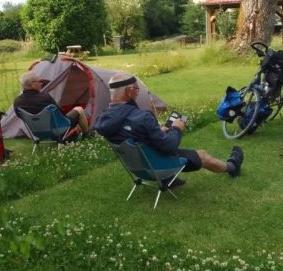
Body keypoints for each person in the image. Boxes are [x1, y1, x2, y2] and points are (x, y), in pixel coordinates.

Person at [94, 72, 243, 187]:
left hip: (137, 167)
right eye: (137, 89)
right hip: (157, 166)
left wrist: (158, 131)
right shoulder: (142, 117)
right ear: (129, 91)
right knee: (202, 155)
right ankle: (232, 167)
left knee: (164, 134)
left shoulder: (104, 119)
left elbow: (134, 135)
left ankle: (169, 180)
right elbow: (169, 147)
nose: (138, 92)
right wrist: (177, 128)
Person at [13, 70, 90, 135]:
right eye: (39, 81)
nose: (41, 83)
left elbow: (21, 116)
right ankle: (87, 134)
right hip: (57, 129)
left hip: (37, 132)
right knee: (79, 109)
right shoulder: (44, 97)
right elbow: (60, 114)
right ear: (32, 84)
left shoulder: (17, 102)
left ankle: (75, 132)